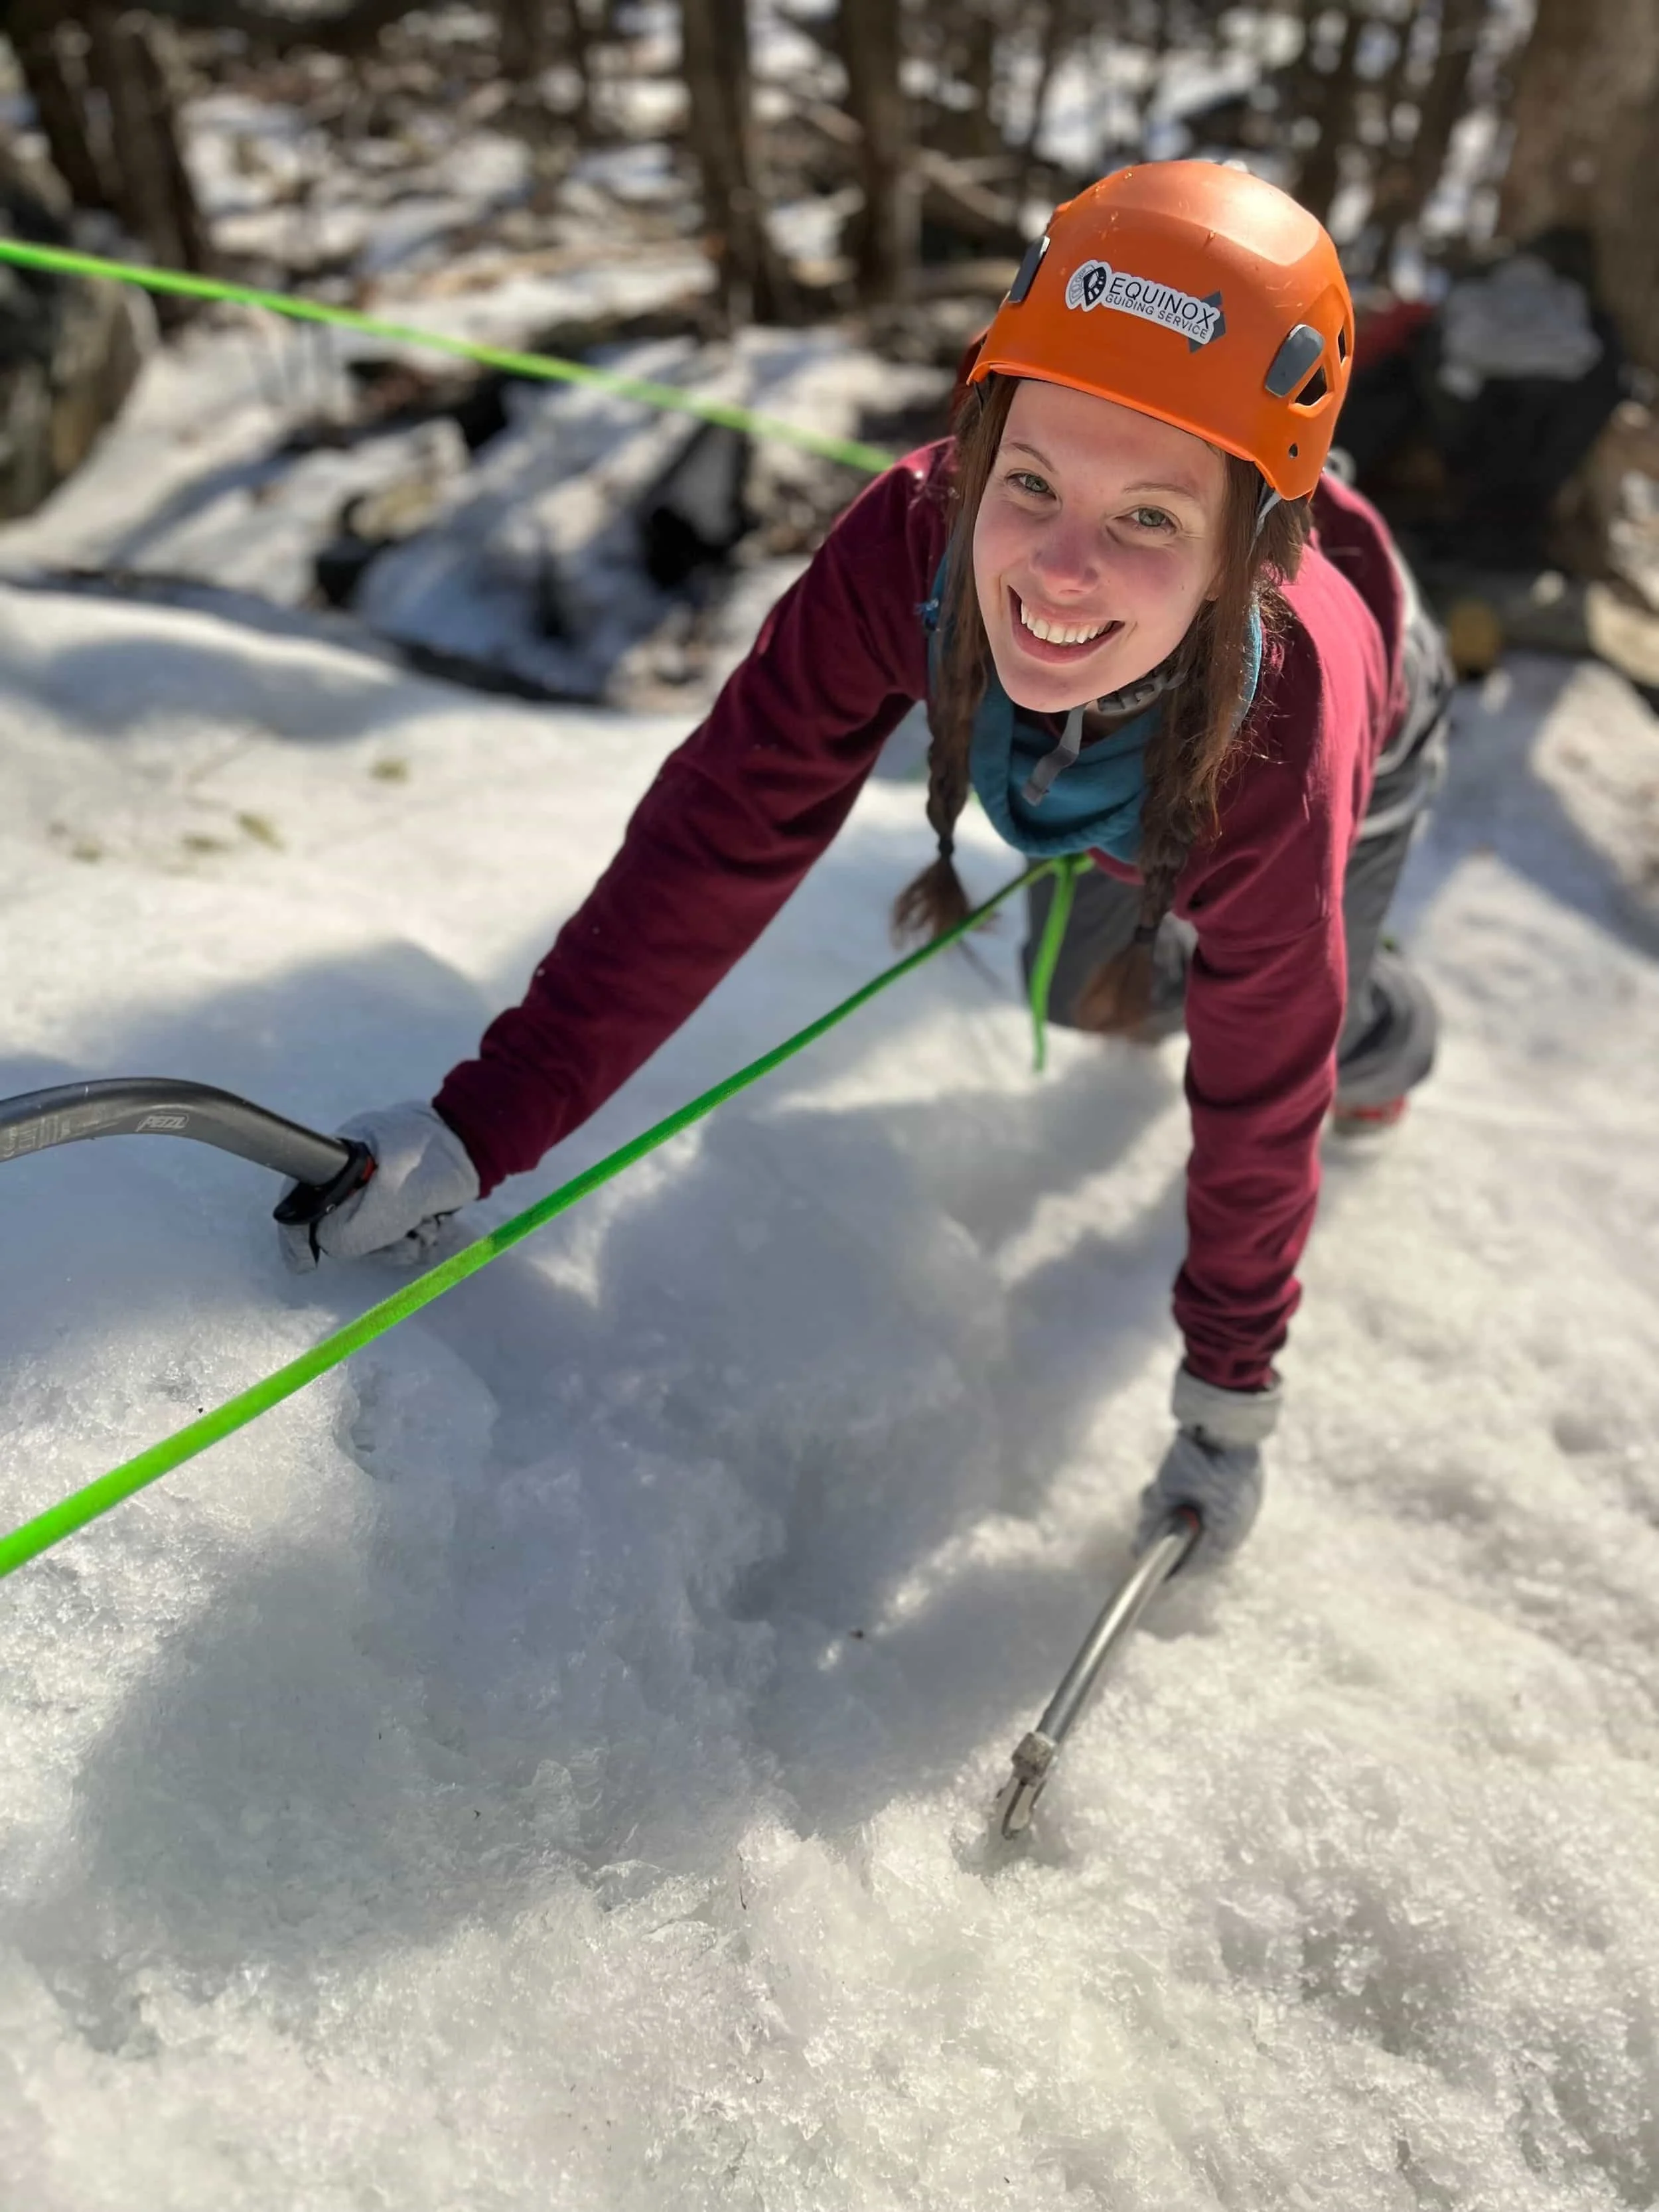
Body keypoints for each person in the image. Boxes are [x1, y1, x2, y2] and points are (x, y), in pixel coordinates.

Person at [279, 163, 1451, 1573]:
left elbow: (1262, 1085)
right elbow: (720, 836)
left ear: (1239, 554)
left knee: (1262, 1007)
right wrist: (488, 1121)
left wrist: (1227, 1390)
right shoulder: (908, 540)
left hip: (1342, 756)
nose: (1060, 565)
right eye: (1029, 481)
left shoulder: (1289, 726)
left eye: (1148, 516)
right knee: (1096, 1002)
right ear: (972, 449)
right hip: (1100, 742)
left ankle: (1390, 1033)